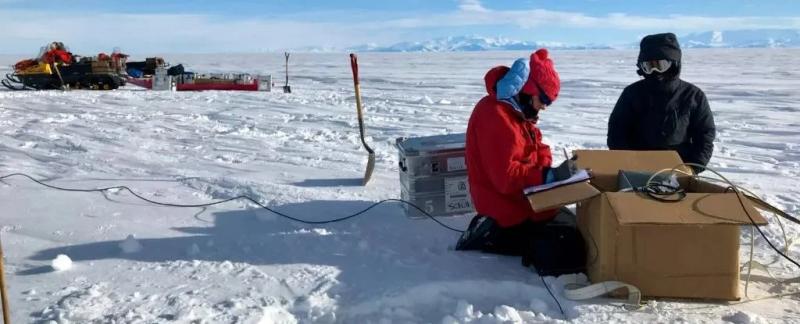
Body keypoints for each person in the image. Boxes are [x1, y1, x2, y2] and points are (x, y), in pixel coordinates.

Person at [456, 49, 561, 256]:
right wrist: (543, 176)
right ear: (528, 90)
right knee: (561, 244)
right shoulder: (495, 116)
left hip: (524, 199)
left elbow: (538, 146)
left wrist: (548, 172)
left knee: (568, 225)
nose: (544, 107)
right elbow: (505, 178)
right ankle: (488, 236)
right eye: (544, 100)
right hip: (506, 212)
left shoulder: (517, 112)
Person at [607, 33, 716, 173]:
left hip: (679, 169)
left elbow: (705, 136)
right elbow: (617, 131)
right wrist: (627, 162)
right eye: (648, 66)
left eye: (660, 65)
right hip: (636, 168)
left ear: (674, 64)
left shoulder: (693, 95)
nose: (655, 71)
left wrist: (693, 167)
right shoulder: (632, 93)